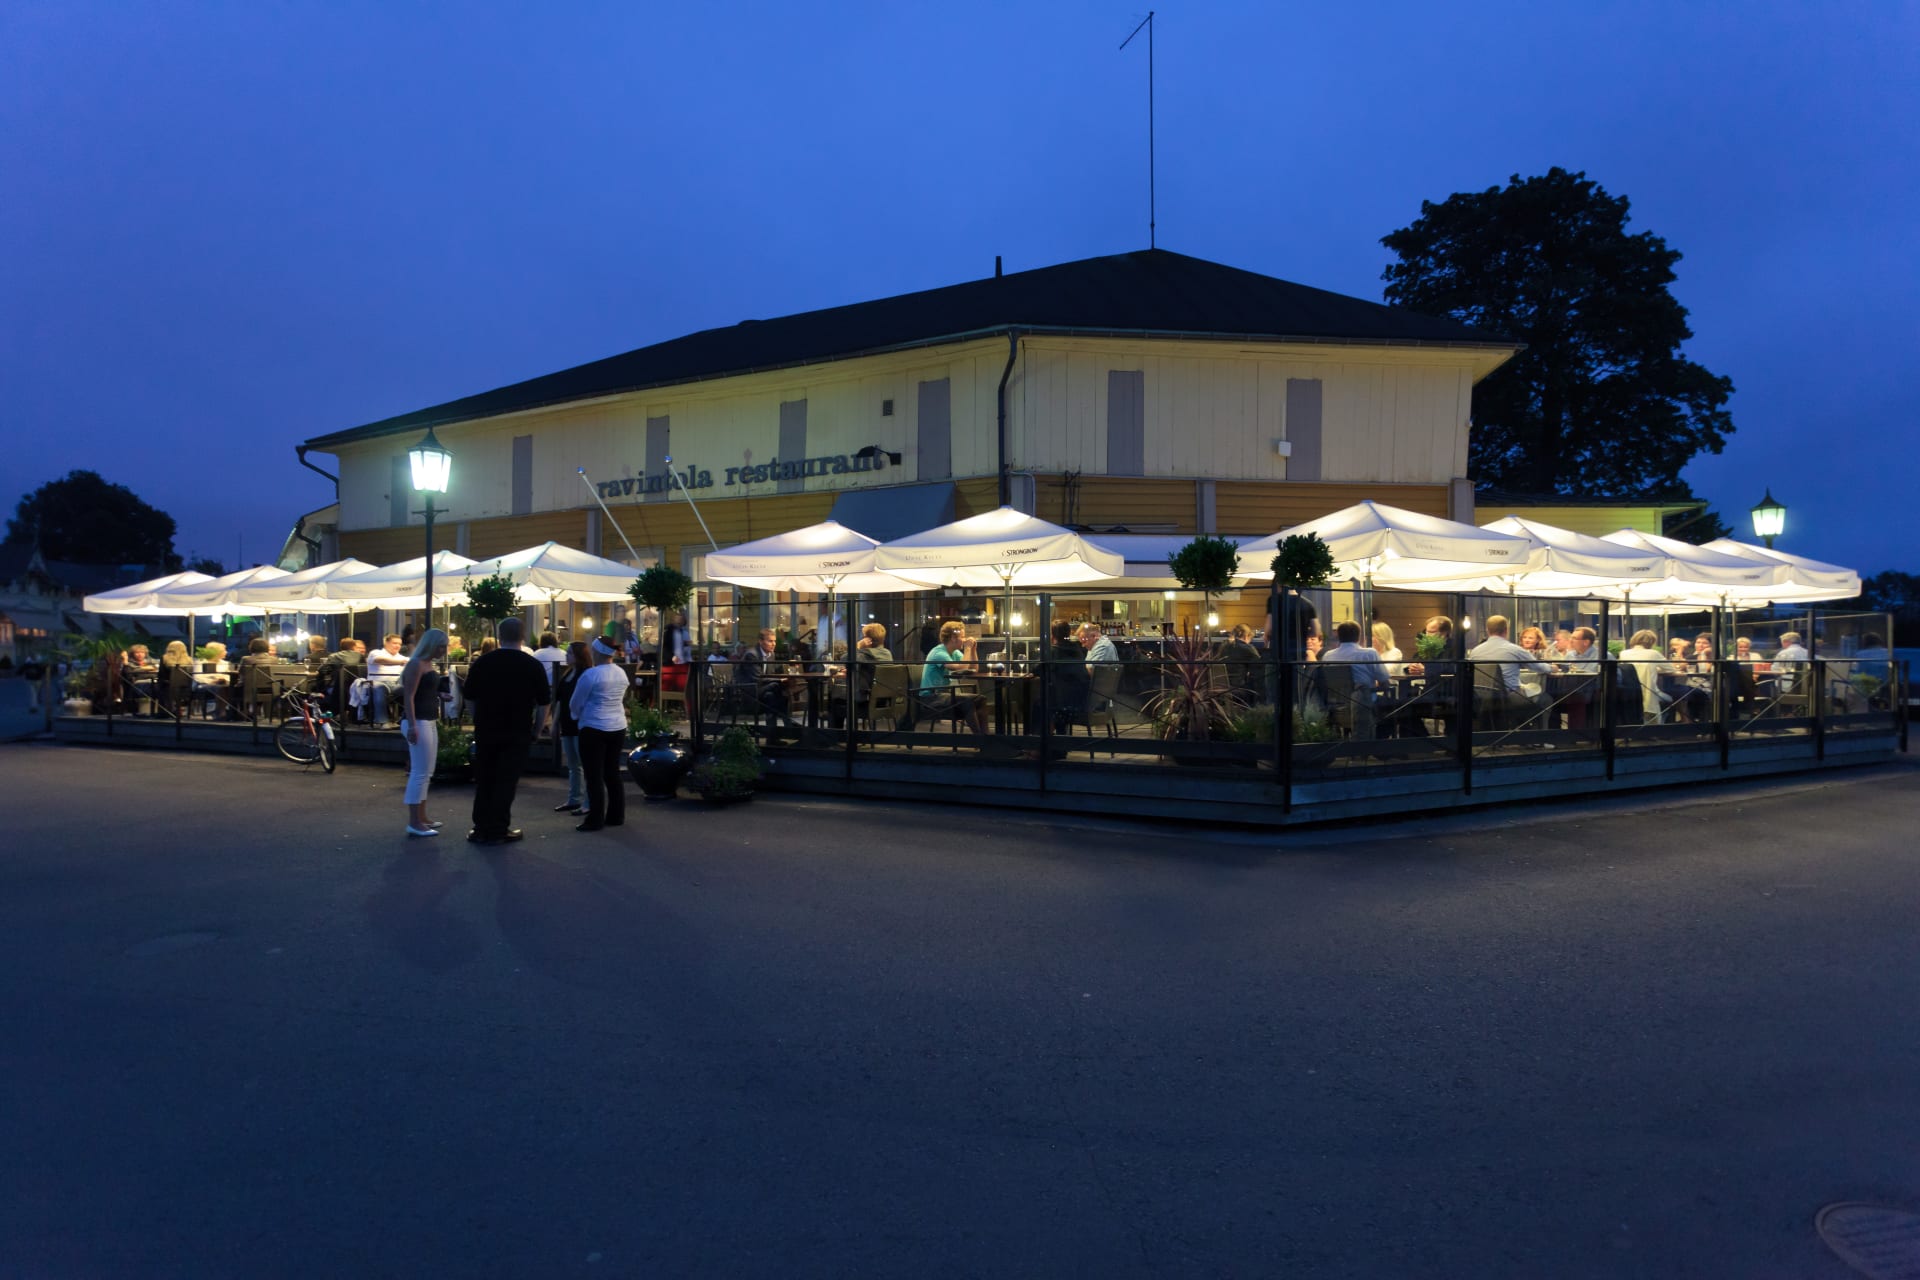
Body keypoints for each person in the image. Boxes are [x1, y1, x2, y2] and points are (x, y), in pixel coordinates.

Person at [459, 616, 551, 845]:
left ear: (499, 636)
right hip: (517, 729)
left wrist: (477, 716)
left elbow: (468, 695)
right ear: (522, 636)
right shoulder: (532, 664)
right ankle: (499, 828)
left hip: (487, 728)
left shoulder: (483, 662)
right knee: (506, 780)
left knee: (485, 778)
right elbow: (544, 702)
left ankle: (480, 827)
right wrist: (537, 730)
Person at [569, 636, 631, 832]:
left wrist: (578, 717)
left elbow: (575, 703)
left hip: (593, 727)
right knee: (612, 772)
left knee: (593, 775)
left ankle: (595, 818)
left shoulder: (590, 675)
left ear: (596, 652)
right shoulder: (621, 673)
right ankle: (616, 814)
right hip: (617, 725)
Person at [399, 627, 448, 838]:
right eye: (441, 646)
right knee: (420, 772)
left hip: (427, 718)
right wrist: (411, 725)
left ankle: (421, 817)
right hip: (418, 720)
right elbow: (408, 696)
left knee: (426, 772)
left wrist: (439, 695)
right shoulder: (416, 664)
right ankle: (414, 821)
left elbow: (419, 692)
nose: (444, 651)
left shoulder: (425, 664)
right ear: (432, 645)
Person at [1467, 614, 1551, 725]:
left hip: (1480, 698)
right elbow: (1540, 668)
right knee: (1546, 699)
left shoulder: (1475, 651)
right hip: (1508, 697)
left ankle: (1516, 730)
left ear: (1488, 630)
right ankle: (1538, 737)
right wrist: (1552, 667)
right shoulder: (1514, 649)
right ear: (1506, 630)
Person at [1319, 620, 1391, 737]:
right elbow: (1385, 682)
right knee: (1393, 709)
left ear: (1339, 636)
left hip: (1337, 704)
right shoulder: (1369, 653)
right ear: (1359, 636)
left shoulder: (1328, 656)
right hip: (1364, 704)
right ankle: (1381, 747)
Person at [919, 620, 989, 735]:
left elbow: (973, 668)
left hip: (943, 694)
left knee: (981, 699)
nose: (965, 639)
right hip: (930, 697)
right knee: (968, 701)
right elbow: (959, 667)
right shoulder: (938, 653)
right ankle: (980, 740)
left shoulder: (954, 652)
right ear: (953, 638)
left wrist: (973, 650)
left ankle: (987, 738)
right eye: (962, 636)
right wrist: (967, 649)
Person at [551, 640, 592, 815]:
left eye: (569, 653)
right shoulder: (567, 674)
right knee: (573, 764)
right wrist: (554, 722)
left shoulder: (585, 674)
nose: (566, 656)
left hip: (580, 724)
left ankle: (588, 801)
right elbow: (560, 700)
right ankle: (574, 798)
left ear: (578, 656)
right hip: (567, 724)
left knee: (585, 764)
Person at [829, 623, 892, 730]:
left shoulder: (865, 654)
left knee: (835, 702)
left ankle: (836, 737)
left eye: (863, 636)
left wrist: (858, 646)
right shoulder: (887, 654)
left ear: (868, 639)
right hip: (884, 701)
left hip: (866, 703)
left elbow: (844, 658)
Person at [1046, 620, 1091, 732]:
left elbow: (1036, 670)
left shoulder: (1054, 651)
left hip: (1065, 706)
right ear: (1069, 633)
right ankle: (1059, 745)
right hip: (1081, 702)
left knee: (1039, 704)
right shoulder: (1077, 649)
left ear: (1052, 634)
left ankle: (1037, 744)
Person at [1618, 630, 1668, 723]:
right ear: (1652, 642)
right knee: (1672, 699)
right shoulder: (1653, 653)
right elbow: (1670, 669)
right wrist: (1654, 669)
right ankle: (1664, 728)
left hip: (1630, 692)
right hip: (1651, 693)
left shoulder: (1624, 653)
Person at [367, 633, 408, 722]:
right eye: (395, 643)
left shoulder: (402, 657)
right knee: (379, 688)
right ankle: (383, 722)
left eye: (399, 644)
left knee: (412, 690)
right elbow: (380, 660)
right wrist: (401, 662)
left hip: (396, 684)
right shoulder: (376, 653)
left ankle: (405, 719)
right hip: (378, 682)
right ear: (386, 643)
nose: (397, 646)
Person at [1220, 624, 1264, 703]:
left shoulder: (1224, 647)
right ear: (1246, 636)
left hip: (1220, 688)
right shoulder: (1247, 648)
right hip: (1238, 689)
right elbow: (1259, 666)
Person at [659, 610, 693, 694]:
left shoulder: (683, 632)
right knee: (665, 687)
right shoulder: (668, 631)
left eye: (681, 620)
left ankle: (683, 705)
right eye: (678, 619)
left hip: (682, 663)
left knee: (682, 688)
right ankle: (657, 705)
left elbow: (680, 646)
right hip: (670, 664)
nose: (679, 621)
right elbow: (664, 646)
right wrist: (671, 656)